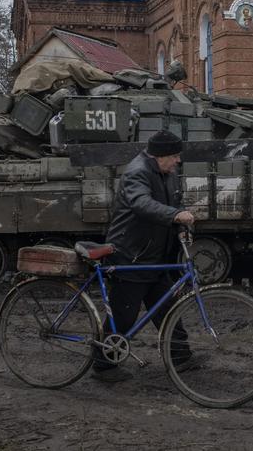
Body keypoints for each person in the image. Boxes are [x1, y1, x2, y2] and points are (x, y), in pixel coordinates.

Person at [91, 130, 197, 382]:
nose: (177, 161)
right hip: (131, 254)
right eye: (174, 156)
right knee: (123, 314)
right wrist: (174, 215)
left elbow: (169, 204)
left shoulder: (166, 172)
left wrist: (180, 216)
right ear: (160, 156)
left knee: (166, 308)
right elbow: (141, 203)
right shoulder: (137, 172)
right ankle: (103, 365)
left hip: (153, 255)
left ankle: (180, 357)